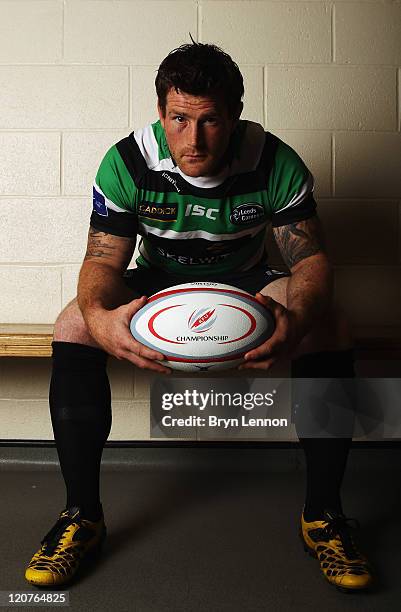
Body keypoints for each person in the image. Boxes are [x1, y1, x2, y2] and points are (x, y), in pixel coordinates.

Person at [25, 40, 373, 591]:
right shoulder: (128, 161)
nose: (194, 139)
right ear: (161, 112)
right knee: (72, 323)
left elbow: (309, 259)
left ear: (235, 115)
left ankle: (324, 516)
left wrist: (298, 320)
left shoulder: (273, 159)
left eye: (211, 120)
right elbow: (102, 261)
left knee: (331, 324)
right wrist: (98, 316)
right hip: (157, 278)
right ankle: (81, 516)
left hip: (245, 278)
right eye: (179, 119)